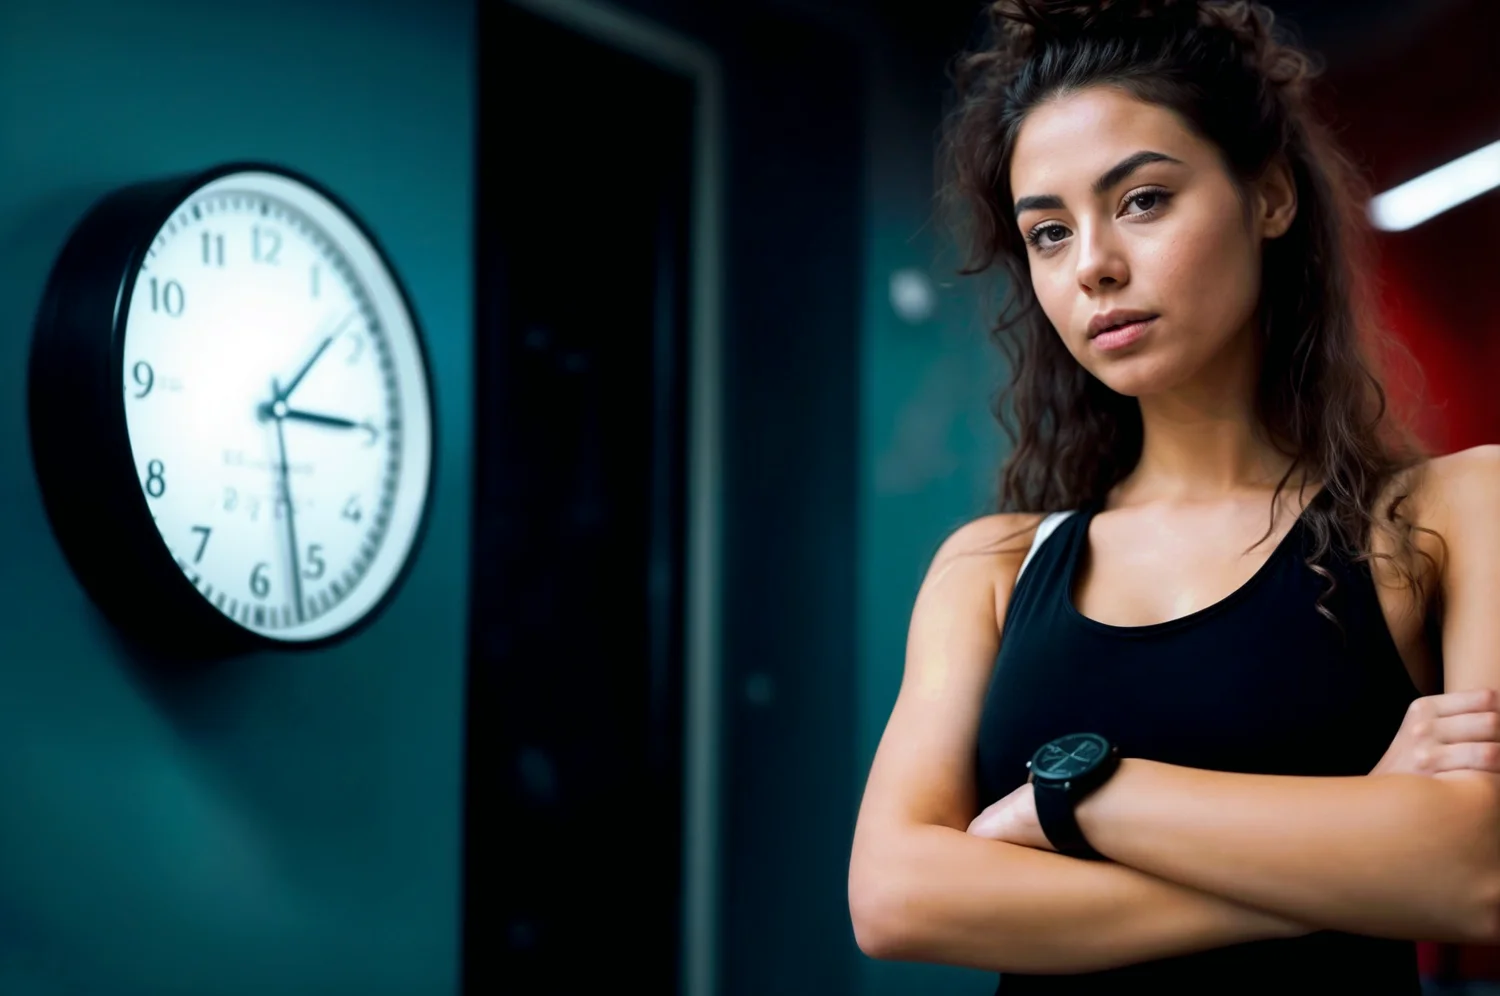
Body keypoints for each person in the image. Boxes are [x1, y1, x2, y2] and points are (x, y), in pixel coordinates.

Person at [847, 1, 1500, 992]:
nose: (1095, 267)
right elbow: (894, 898)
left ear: (1269, 196)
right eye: (1050, 232)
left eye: (1143, 200)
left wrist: (1078, 798)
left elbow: (1478, 872)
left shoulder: (1451, 512)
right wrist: (1354, 855)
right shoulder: (990, 566)